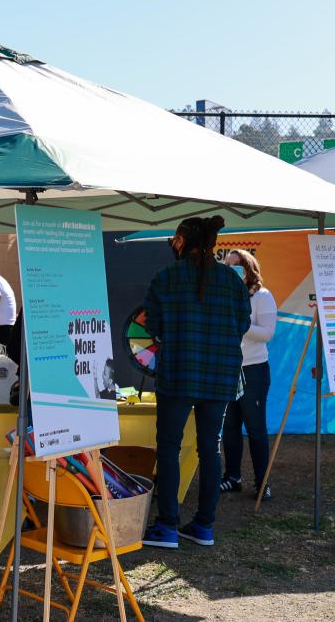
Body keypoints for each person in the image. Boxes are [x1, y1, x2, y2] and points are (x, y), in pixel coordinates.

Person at [140, 215, 250, 550]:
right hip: (220, 375)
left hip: (178, 373)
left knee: (170, 448)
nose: (172, 243)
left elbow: (152, 324)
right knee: (209, 448)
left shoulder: (166, 277)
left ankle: (168, 526)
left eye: (175, 238)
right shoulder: (232, 282)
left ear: (184, 241)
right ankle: (204, 526)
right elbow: (243, 325)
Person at [221, 249, 277, 501]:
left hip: (253, 369)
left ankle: (262, 482)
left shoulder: (262, 296)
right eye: (226, 266)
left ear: (247, 269)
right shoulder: (222, 296)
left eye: (235, 266)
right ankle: (232, 478)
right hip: (227, 368)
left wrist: (239, 323)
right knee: (229, 427)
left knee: (255, 428)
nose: (230, 270)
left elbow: (266, 333)